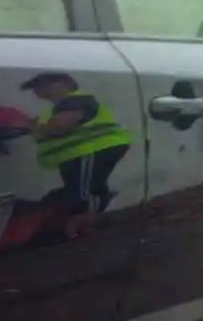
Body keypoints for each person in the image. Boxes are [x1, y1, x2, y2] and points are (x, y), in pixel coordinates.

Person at [20, 72, 133, 234]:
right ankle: (86, 221)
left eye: (42, 86)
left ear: (63, 84)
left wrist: (34, 129)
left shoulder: (75, 100)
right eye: (35, 88)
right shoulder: (61, 106)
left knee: (83, 192)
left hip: (91, 149)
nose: (37, 91)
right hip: (79, 153)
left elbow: (60, 125)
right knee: (82, 188)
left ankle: (85, 224)